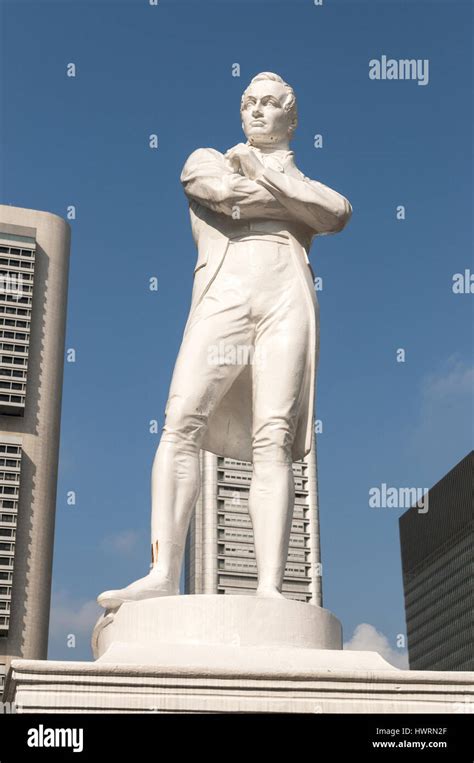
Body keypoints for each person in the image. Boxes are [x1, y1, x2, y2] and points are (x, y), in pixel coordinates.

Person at [97, 72, 351, 609]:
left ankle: (269, 589)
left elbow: (337, 213)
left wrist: (267, 176)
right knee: (181, 418)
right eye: (249, 103)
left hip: (288, 293)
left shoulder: (293, 177)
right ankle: (163, 570)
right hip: (226, 290)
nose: (257, 112)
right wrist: (292, 199)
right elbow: (221, 193)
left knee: (274, 436)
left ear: (292, 117)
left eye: (270, 104)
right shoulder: (206, 157)